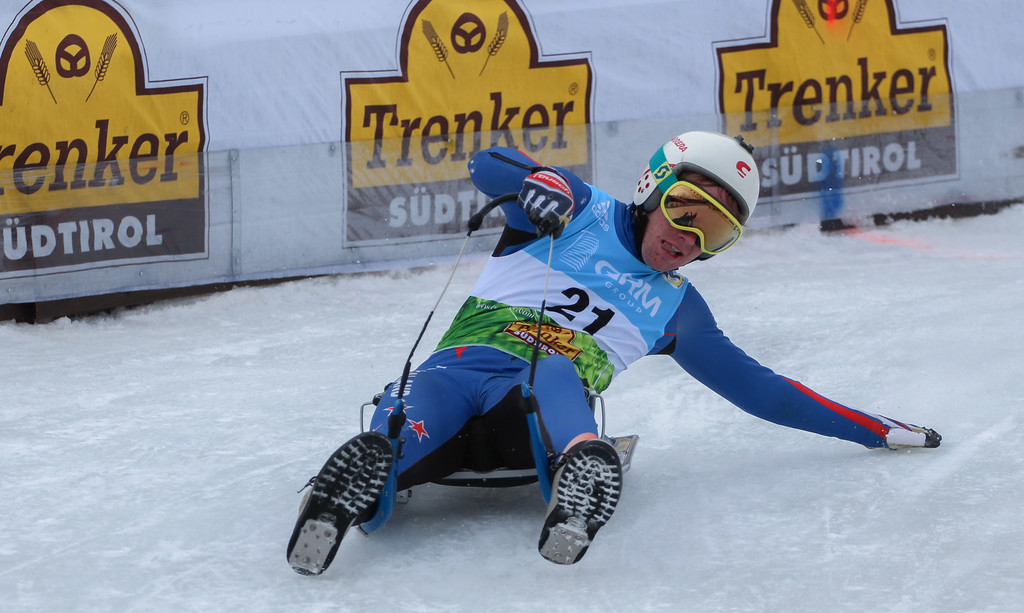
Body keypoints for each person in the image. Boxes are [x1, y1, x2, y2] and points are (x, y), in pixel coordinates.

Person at [287, 131, 941, 575]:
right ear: (652, 187)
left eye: (715, 230)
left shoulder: (677, 309)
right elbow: (488, 164)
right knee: (413, 407)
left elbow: (764, 390)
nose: (689, 238)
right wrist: (539, 188)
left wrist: (874, 429)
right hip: (456, 376)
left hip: (536, 411)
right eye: (685, 209)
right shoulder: (578, 210)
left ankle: (579, 476)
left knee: (555, 372)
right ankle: (346, 492)